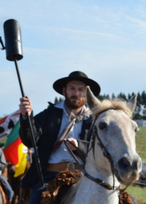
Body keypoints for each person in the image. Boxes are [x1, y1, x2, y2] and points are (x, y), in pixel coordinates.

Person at [19, 71, 101, 204]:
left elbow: (99, 150)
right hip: (50, 176)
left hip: (85, 177)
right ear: (64, 91)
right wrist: (26, 117)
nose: (76, 93)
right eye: (72, 89)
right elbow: (29, 140)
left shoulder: (94, 119)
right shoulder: (49, 114)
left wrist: (79, 146)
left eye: (81, 90)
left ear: (86, 94)